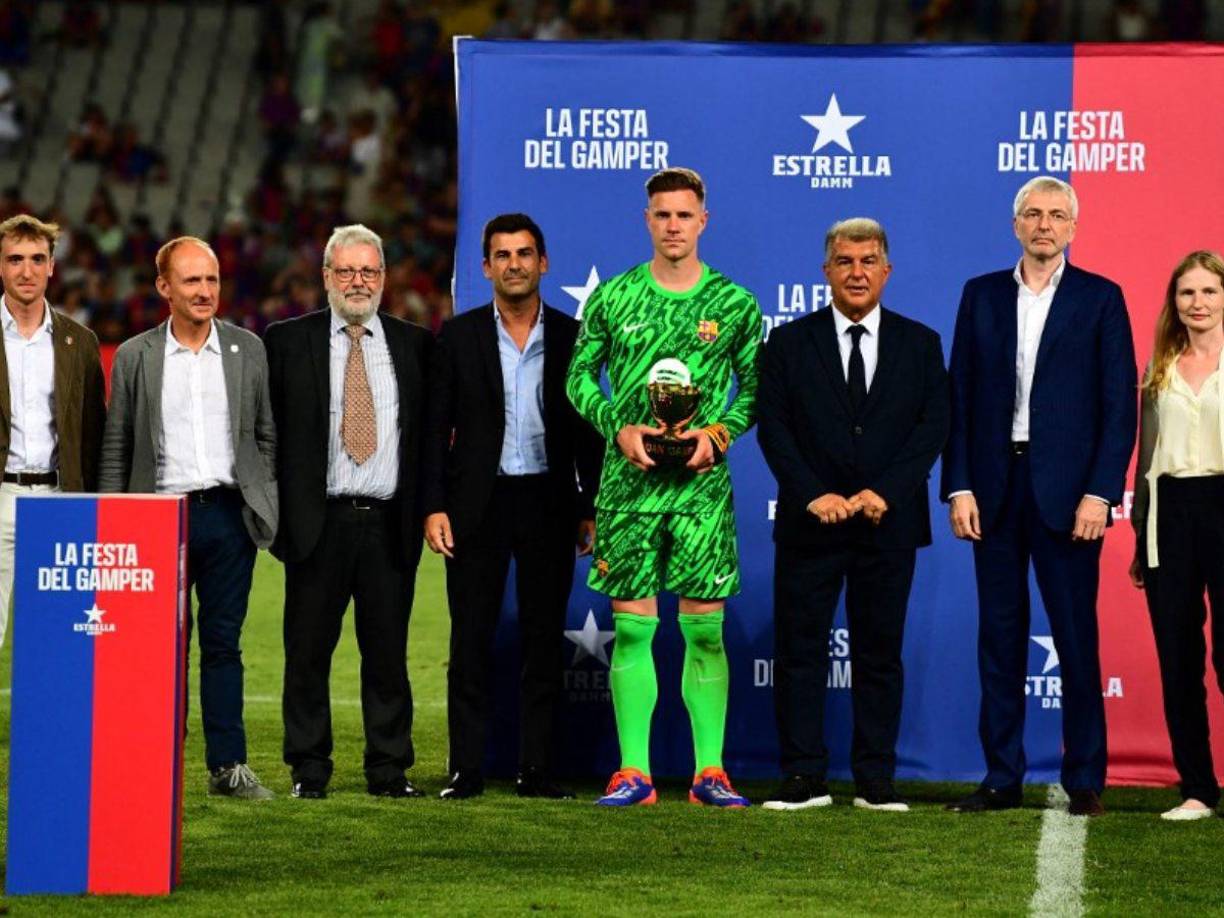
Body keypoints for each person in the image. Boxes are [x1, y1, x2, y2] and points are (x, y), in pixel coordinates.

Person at [566, 167, 762, 807]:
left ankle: (711, 773)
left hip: (702, 493)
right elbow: (577, 379)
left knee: (705, 632)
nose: (673, 225)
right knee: (632, 630)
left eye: (684, 215)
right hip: (628, 488)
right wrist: (617, 429)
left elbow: (756, 391)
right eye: (662, 214)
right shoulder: (614, 297)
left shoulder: (733, 303)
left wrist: (719, 435)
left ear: (703, 220)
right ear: (646, 220)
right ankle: (633, 773)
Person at [942, 176, 1137, 817]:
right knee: (998, 640)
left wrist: (1101, 493)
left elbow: (1118, 408)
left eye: (1057, 215)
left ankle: (1085, 779)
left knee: (1077, 639)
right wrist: (960, 484)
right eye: (1033, 213)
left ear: (1074, 228)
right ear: (1016, 224)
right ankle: (1001, 778)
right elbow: (961, 399)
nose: (1044, 224)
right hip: (994, 491)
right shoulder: (980, 296)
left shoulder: (1101, 299)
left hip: (1068, 496)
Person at [757, 218, 949, 812]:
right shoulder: (788, 344)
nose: (857, 272)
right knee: (800, 651)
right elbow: (775, 428)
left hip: (887, 523)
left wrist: (884, 491)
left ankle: (875, 779)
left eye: (868, 261)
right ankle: (802, 777)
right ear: (826, 272)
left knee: (879, 653)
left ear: (886, 270)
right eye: (845, 261)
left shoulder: (921, 344)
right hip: (809, 525)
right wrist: (814, 494)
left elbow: (932, 427)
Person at [423, 213, 602, 800]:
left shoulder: (574, 338)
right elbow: (433, 432)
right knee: (469, 640)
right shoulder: (459, 336)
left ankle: (537, 770)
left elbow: (589, 432)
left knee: (543, 640)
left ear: (543, 263)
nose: (515, 264)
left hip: (549, 502)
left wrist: (591, 506)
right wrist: (434, 506)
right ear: (485, 268)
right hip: (478, 505)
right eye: (502, 255)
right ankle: (465, 769)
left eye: (525, 253)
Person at [99, 236, 277, 800]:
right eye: (192, 281)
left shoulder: (248, 348)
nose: (205, 291)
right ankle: (155, 761)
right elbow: (116, 445)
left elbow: (266, 433)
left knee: (223, 643)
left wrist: (259, 491)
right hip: (156, 518)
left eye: (212, 280)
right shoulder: (134, 355)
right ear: (164, 288)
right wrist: (113, 521)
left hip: (227, 515)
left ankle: (229, 766)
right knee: (157, 648)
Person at [265, 223, 432, 800]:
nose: (357, 281)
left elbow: (430, 442)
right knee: (306, 655)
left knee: (388, 656)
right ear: (326, 276)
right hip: (318, 524)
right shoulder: (286, 342)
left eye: (369, 271)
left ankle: (389, 771)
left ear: (384, 278)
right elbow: (270, 435)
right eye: (347, 271)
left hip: (389, 523)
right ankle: (309, 770)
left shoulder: (415, 345)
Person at [1129, 251, 1224, 821]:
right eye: (1187, 293)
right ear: (1175, 303)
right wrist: (1143, 539)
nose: (1198, 303)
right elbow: (1145, 458)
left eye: (1209, 292)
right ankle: (1197, 787)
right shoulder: (1159, 368)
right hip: (1169, 513)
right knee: (1178, 656)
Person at [0, 214, 106, 648]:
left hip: (61, 498)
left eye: (37, 259)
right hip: (2, 496)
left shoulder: (79, 341)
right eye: (15, 259)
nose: (27, 270)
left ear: (52, 267)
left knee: (62, 630)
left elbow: (94, 432)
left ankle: (55, 717)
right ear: (1, 266)